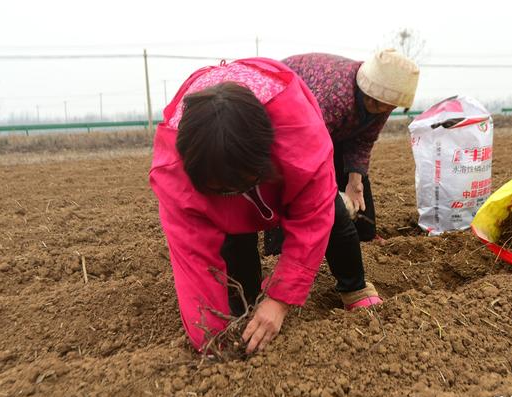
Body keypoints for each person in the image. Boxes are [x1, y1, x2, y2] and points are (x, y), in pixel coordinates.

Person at [149, 57, 381, 354]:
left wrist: (280, 300)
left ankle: (354, 288)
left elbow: (312, 216)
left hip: (283, 167)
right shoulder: (175, 172)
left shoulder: (297, 131)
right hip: (219, 178)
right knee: (233, 241)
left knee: (333, 218)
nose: (234, 194)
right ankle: (245, 313)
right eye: (223, 190)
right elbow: (194, 259)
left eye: (242, 184)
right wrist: (209, 336)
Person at [264, 49, 420, 254]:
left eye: (387, 106)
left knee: (357, 182)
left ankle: (364, 234)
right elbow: (309, 146)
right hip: (290, 122)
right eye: (374, 101)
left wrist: (354, 182)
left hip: (326, 128)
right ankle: (279, 248)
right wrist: (325, 186)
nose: (381, 108)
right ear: (366, 88)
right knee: (295, 180)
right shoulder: (336, 94)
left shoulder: (384, 100)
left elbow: (362, 142)